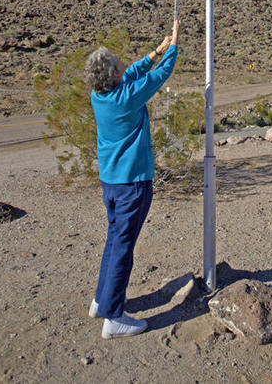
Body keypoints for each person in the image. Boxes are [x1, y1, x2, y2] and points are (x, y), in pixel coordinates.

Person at [84, 19, 180, 338]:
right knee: (124, 246)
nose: (122, 64)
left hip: (112, 182)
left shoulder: (102, 96)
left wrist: (157, 49)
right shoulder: (126, 97)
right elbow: (159, 77)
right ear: (113, 73)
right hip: (132, 184)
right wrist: (176, 45)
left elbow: (136, 73)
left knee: (114, 241)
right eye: (117, 63)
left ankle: (102, 300)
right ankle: (114, 317)